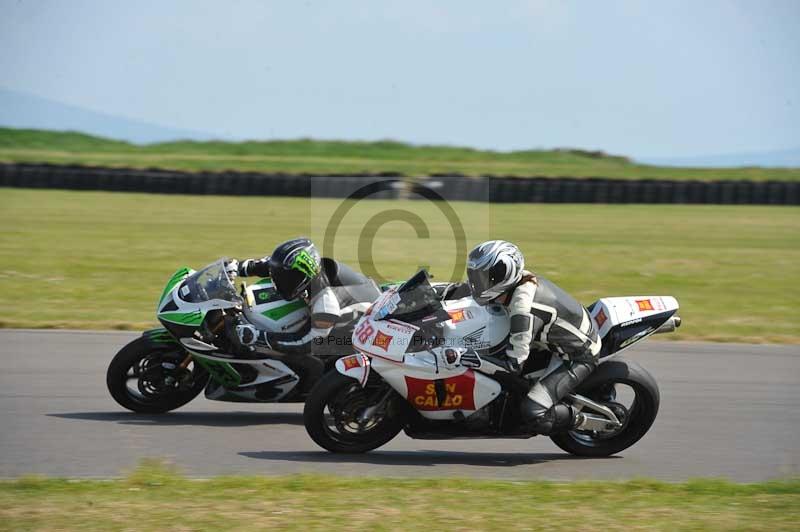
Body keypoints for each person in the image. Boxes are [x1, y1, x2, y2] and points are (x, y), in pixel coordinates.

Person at [464, 240, 600, 434]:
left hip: (576, 355)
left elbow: (513, 365)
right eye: (475, 276)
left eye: (483, 277)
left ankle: (582, 420)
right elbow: (463, 291)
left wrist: (471, 359)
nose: (476, 283)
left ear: (502, 275)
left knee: (533, 412)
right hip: (552, 338)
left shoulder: (523, 312)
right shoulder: (518, 281)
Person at [227, 237, 380, 368]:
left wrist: (259, 337)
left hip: (361, 324)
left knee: (318, 361)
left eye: (286, 278)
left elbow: (305, 342)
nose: (278, 280)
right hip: (352, 291)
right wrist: (236, 268)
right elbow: (270, 266)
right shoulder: (302, 269)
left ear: (303, 279)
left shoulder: (325, 302)